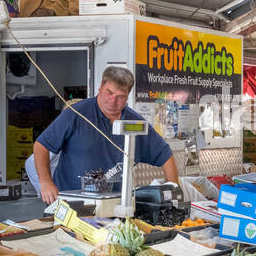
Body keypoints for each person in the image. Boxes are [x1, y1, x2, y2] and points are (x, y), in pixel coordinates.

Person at [32, 66, 178, 204]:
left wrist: (174, 193)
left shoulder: (135, 123)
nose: (113, 101)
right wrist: (46, 182)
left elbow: (166, 156)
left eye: (121, 96)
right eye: (109, 92)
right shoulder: (76, 114)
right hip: (69, 202)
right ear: (100, 87)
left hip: (113, 206)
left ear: (128, 96)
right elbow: (41, 146)